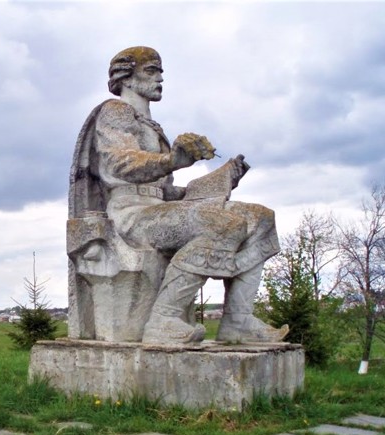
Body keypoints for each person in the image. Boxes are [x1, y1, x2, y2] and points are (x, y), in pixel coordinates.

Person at [69, 46, 288, 344]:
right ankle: (163, 320)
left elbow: (165, 192)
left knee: (260, 218)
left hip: (158, 210)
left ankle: (238, 320)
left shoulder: (151, 125)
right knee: (222, 223)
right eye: (151, 71)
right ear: (126, 77)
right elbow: (121, 164)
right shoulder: (115, 111)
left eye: (160, 72)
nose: (160, 78)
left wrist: (216, 183)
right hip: (131, 215)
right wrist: (171, 160)